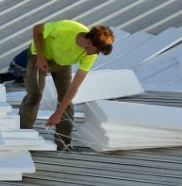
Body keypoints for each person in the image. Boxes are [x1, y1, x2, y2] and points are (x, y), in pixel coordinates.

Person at [19, 19, 115, 148]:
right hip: (39, 56)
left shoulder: (90, 55)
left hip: (62, 63)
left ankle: (63, 142)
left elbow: (75, 86)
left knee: (66, 101)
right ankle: (22, 137)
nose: (96, 54)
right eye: (97, 50)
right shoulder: (65, 28)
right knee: (35, 95)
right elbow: (37, 29)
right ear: (89, 42)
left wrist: (58, 114)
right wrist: (41, 56)